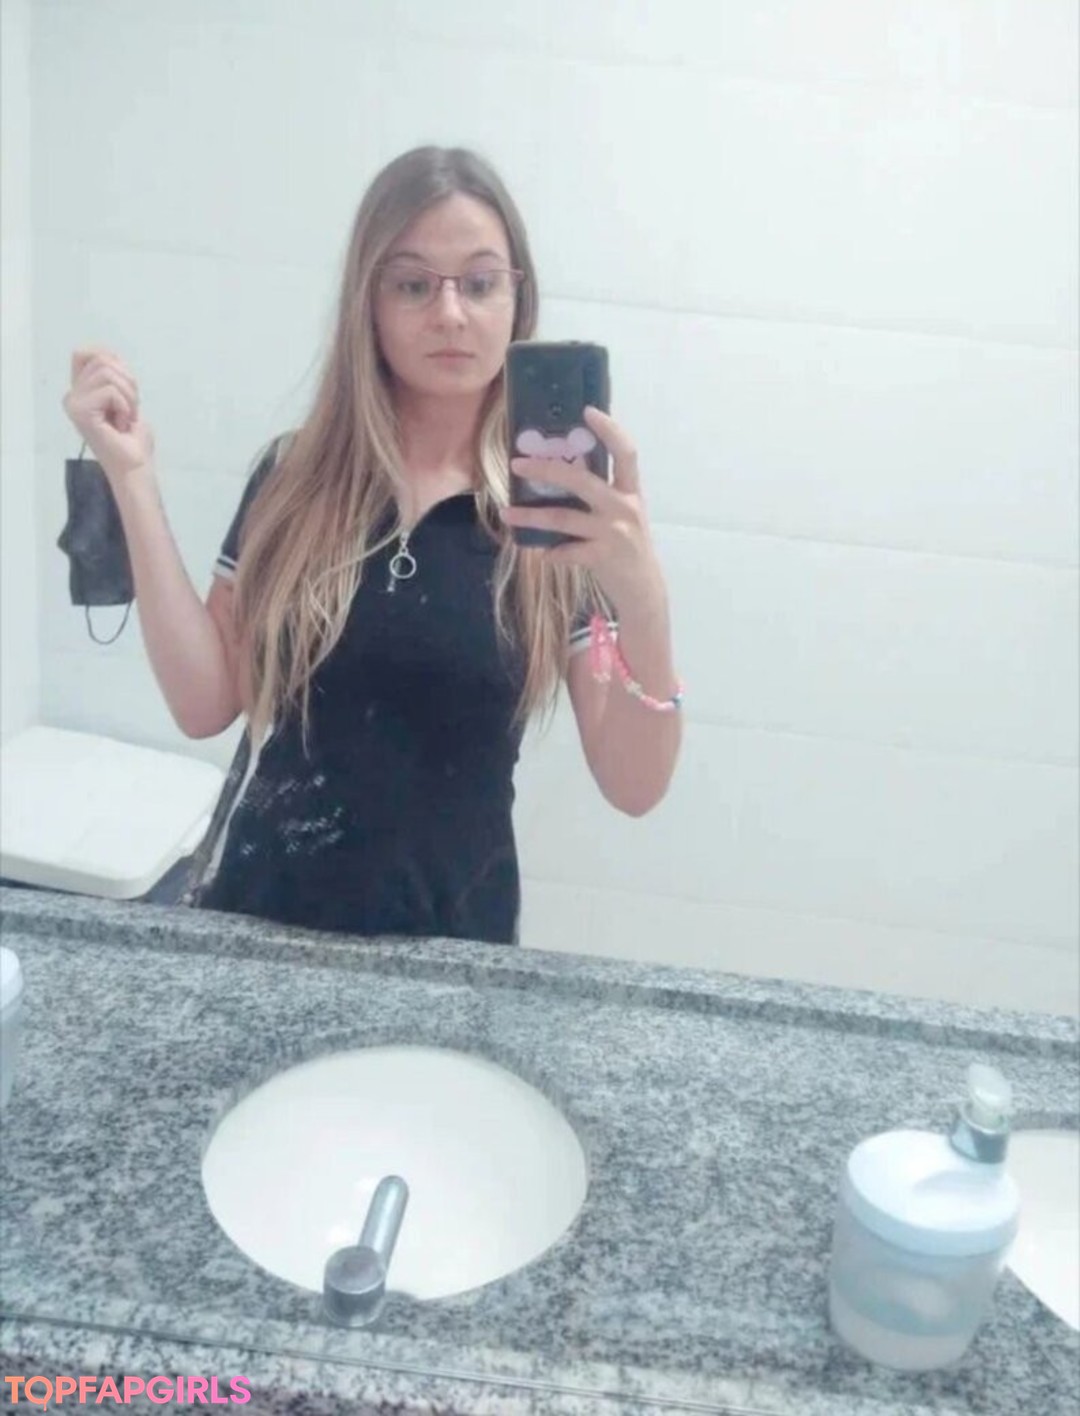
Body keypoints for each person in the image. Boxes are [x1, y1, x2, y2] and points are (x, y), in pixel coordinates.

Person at [61, 146, 683, 946]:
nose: (450, 313)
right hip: (256, 933)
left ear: (516, 301)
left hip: (449, 959)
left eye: (480, 283)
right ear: (371, 303)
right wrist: (133, 479)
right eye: (414, 284)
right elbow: (205, 700)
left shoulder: (556, 513)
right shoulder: (296, 480)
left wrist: (645, 603)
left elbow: (635, 784)